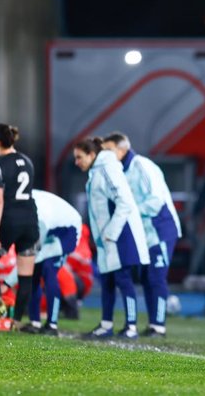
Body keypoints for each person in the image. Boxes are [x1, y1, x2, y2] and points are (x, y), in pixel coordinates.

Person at [102, 132, 182, 338]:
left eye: (109, 151)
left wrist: (129, 211)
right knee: (147, 277)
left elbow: (155, 200)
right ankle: (154, 325)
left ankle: (159, 326)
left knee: (156, 277)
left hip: (159, 230)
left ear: (122, 150)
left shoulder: (141, 166)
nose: (106, 155)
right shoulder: (120, 172)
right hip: (143, 234)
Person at [73, 137, 150, 339]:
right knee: (107, 280)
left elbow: (124, 202)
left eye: (79, 157)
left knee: (123, 280)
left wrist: (111, 233)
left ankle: (131, 326)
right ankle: (106, 325)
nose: (76, 162)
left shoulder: (107, 169)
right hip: (108, 238)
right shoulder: (98, 170)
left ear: (91, 154)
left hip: (121, 235)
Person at [0, 124, 39, 330]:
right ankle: (16, 323)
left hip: (9, 221)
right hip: (31, 221)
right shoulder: (27, 161)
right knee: (26, 277)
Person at [7, 190, 81, 335]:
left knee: (48, 269)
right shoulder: (23, 202)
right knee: (34, 272)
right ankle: (35, 322)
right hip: (50, 231)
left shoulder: (40, 217)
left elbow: (32, 254)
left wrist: (7, 283)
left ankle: (52, 324)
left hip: (67, 233)